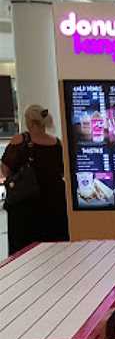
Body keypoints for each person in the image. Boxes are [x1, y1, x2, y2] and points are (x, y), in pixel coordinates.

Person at [1, 105, 69, 255]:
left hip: (25, 208)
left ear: (30, 122)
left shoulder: (20, 140)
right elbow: (63, 170)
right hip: (55, 205)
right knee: (55, 252)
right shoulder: (57, 143)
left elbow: (5, 170)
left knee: (24, 254)